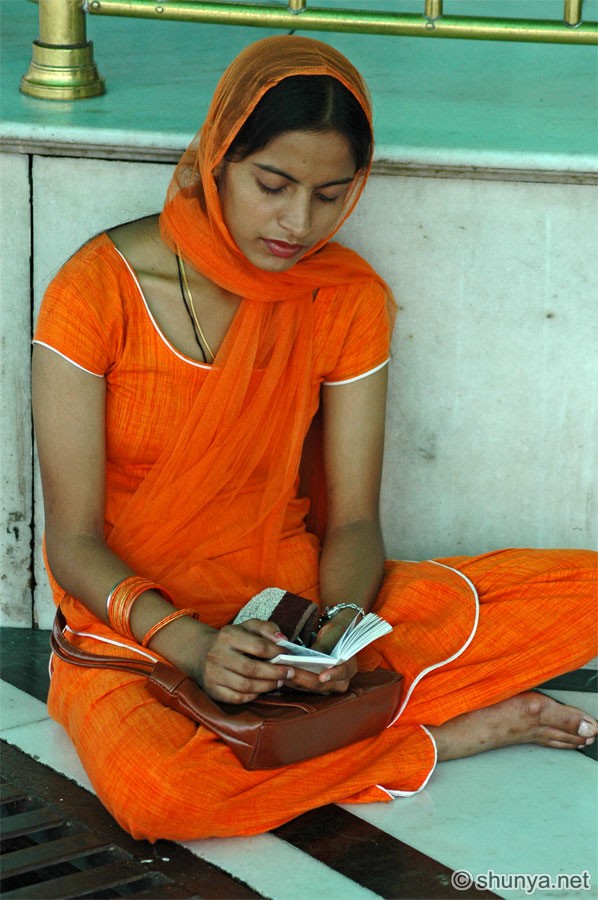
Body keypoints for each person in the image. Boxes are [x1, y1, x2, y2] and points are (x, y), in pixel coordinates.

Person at [32, 35, 597, 842]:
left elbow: (356, 521)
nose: (298, 222)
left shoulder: (343, 297)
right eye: (273, 184)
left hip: (291, 612)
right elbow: (73, 541)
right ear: (219, 157)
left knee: (583, 596)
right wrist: (193, 646)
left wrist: (334, 636)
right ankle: (437, 737)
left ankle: (343, 714)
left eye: (331, 195)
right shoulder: (96, 292)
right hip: (135, 634)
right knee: (166, 796)